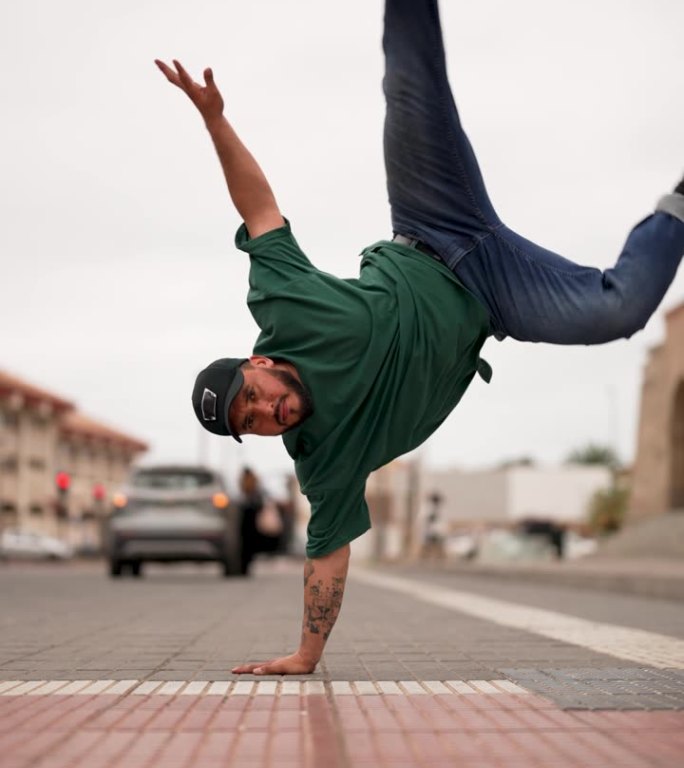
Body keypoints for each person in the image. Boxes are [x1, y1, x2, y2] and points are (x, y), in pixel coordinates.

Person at [155, 0, 684, 675]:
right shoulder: (322, 458)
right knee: (619, 310)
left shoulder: (281, 304)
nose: (264, 414)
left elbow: (257, 206)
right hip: (497, 295)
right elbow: (326, 553)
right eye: (249, 424)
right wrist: (306, 655)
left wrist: (214, 119)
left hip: (432, 219)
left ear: (259, 361)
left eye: (250, 396)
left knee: (407, 80)